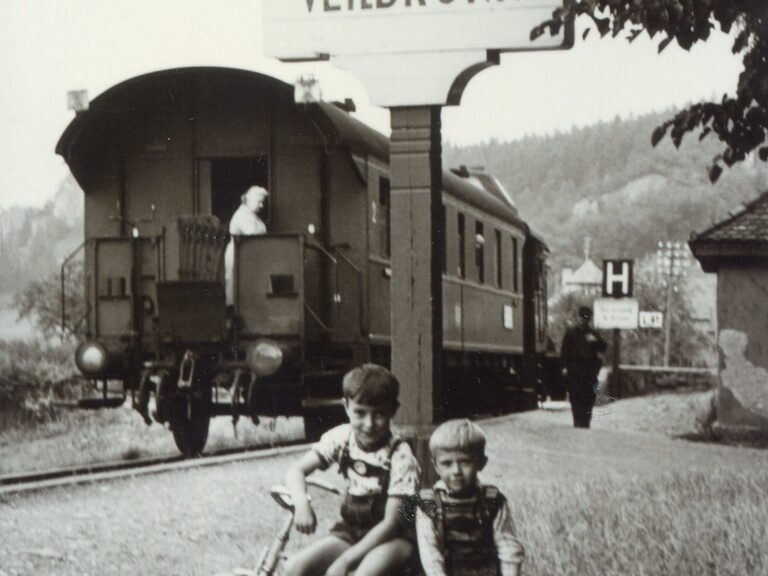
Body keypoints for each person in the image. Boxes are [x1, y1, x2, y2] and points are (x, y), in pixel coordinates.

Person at [283, 364, 420, 576]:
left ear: (394, 409)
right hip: (352, 532)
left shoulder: (400, 456)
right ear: (346, 407)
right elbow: (296, 470)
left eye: (379, 414)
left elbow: (391, 523)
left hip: (394, 538)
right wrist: (301, 504)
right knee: (294, 568)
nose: (369, 423)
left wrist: (345, 561)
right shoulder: (342, 438)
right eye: (360, 413)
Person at [416, 419, 525, 576]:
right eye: (447, 463)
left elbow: (508, 547)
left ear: (481, 463)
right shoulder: (428, 503)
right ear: (435, 466)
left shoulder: (493, 501)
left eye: (465, 462)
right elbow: (431, 555)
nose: (456, 471)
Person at [560, 306, 607, 428]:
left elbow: (603, 346)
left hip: (590, 371)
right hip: (574, 370)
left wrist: (595, 341)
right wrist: (564, 367)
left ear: (589, 320)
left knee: (589, 397)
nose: (583, 320)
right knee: (575, 396)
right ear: (578, 318)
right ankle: (577, 421)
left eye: (586, 318)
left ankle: (586, 421)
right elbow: (564, 351)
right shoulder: (570, 333)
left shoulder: (593, 333)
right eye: (581, 317)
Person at [225, 185, 268, 304]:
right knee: (237, 292)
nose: (261, 205)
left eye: (262, 202)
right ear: (250, 200)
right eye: (259, 202)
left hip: (248, 256)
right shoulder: (242, 215)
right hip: (238, 256)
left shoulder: (252, 216)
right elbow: (252, 235)